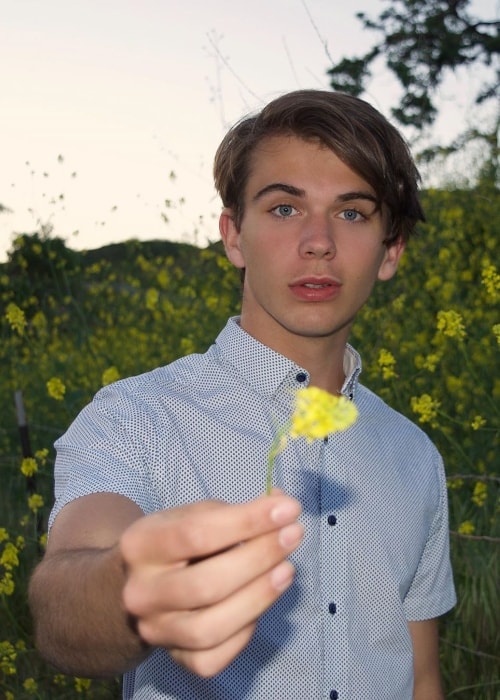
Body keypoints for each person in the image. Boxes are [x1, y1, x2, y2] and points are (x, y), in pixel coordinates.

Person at [29, 90, 456, 700]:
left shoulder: (415, 455)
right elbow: (64, 601)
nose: (318, 242)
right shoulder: (135, 416)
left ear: (391, 251)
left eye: (353, 212)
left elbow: (422, 676)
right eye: (284, 208)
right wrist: (133, 586)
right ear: (233, 235)